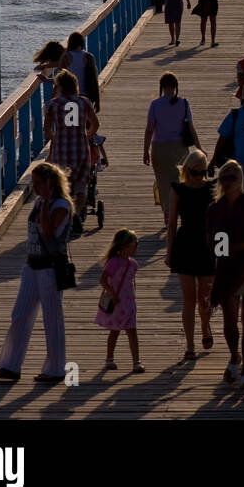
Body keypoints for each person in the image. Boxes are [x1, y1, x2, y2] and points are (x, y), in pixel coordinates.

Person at [0, 162, 74, 384]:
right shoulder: (39, 202)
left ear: (51, 184)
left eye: (39, 184)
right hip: (32, 265)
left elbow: (48, 233)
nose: (35, 188)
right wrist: (41, 201)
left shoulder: (60, 205)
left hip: (51, 268)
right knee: (20, 315)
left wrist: (46, 202)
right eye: (33, 183)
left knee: (52, 319)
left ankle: (56, 369)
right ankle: (10, 365)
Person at [206, 161, 244, 389]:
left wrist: (234, 246)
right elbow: (214, 243)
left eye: (233, 177)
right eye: (224, 177)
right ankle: (234, 356)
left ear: (241, 179)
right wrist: (238, 246)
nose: (228, 181)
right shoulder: (215, 208)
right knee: (230, 322)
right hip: (227, 268)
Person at [167, 150, 216, 360]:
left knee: (205, 298)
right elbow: (171, 224)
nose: (200, 177)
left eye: (203, 172)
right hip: (185, 243)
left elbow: (220, 221)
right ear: (187, 170)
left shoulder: (212, 189)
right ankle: (189, 345)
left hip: (206, 245)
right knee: (189, 298)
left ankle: (205, 327)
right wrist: (169, 252)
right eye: (195, 173)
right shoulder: (177, 189)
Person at [44, 70, 99, 236]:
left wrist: (56, 138)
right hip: (80, 149)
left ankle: (63, 216)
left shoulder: (54, 104)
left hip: (61, 151)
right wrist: (85, 136)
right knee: (81, 186)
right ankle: (75, 214)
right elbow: (95, 124)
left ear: (60, 87)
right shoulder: (84, 102)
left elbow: (46, 129)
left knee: (61, 186)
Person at [145, 73, 200, 224]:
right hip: (180, 148)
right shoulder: (184, 103)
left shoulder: (155, 104)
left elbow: (150, 130)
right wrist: (199, 148)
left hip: (159, 149)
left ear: (162, 87)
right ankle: (179, 210)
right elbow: (191, 128)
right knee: (181, 181)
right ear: (176, 87)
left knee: (163, 183)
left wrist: (145, 151)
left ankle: (168, 212)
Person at [96, 229, 143, 372]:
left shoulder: (133, 264)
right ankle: (109, 359)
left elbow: (131, 282)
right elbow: (103, 280)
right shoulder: (113, 263)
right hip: (116, 303)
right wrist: (112, 293)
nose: (137, 246)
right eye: (135, 243)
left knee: (132, 332)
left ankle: (136, 362)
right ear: (124, 246)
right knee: (114, 331)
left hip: (129, 303)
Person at [57, 31, 101, 111]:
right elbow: (95, 79)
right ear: (82, 42)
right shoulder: (89, 57)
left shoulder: (66, 57)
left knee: (70, 121)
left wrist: (45, 69)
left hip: (70, 95)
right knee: (86, 121)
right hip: (86, 96)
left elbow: (60, 77)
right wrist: (97, 101)